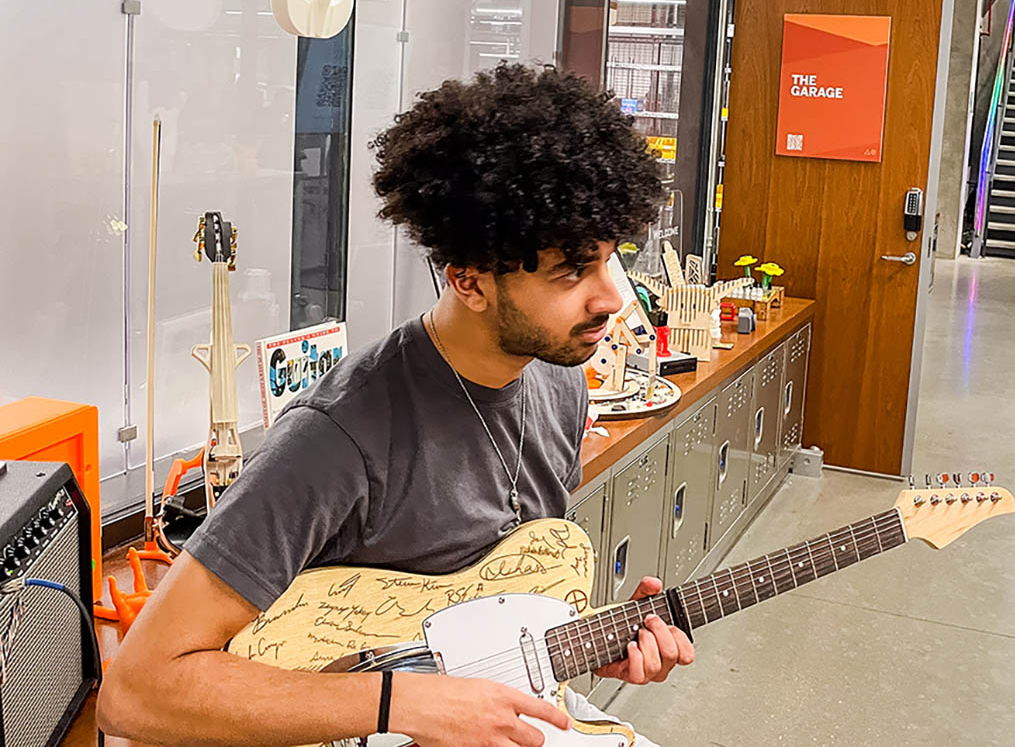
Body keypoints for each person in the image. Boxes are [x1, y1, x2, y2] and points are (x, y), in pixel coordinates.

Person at [98, 64, 692, 747]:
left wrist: (577, 645)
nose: (612, 297)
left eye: (609, 261)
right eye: (571, 272)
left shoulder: (557, 381)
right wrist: (397, 704)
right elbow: (136, 691)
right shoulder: (340, 436)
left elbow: (494, 608)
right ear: (467, 280)